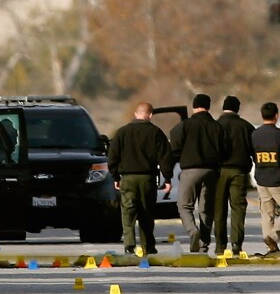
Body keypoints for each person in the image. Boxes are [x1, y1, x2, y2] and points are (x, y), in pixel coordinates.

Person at [108, 102, 173, 255]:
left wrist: (115, 176)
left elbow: (112, 157)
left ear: (135, 114)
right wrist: (168, 178)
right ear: (150, 115)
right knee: (147, 213)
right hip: (147, 179)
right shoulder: (156, 132)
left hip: (128, 179)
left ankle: (129, 245)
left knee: (128, 212)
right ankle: (148, 246)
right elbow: (165, 157)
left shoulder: (122, 132)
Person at [170, 93, 228, 253]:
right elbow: (225, 151)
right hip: (211, 172)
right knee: (206, 209)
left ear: (194, 106)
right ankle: (204, 243)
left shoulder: (185, 125)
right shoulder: (217, 127)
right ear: (208, 106)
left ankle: (193, 231)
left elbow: (174, 145)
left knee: (184, 205)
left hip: (190, 171)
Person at [214, 95, 255, 256]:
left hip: (219, 172)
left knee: (219, 209)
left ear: (224, 107)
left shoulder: (215, 126)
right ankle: (236, 244)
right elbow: (254, 151)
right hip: (239, 171)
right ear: (238, 108)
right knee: (238, 208)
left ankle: (220, 245)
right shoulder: (247, 127)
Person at [251, 102, 280, 255]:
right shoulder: (278, 135)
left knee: (266, 213)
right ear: (276, 116)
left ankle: (270, 243)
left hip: (262, 179)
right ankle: (273, 236)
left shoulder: (255, 134)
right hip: (277, 179)